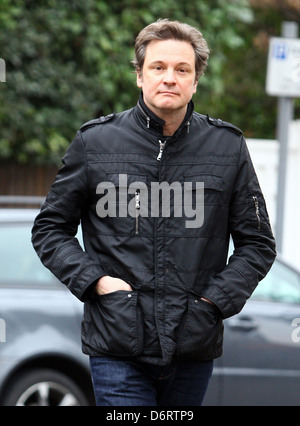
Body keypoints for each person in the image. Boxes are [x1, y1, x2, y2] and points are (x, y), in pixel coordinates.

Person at [32, 19, 276, 406]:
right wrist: (97, 283)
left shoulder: (227, 148)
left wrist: (212, 303)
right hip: (116, 340)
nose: (169, 78)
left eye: (182, 70)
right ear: (140, 76)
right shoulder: (95, 142)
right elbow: (49, 230)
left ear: (196, 81)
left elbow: (258, 244)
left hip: (192, 342)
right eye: (158, 68)